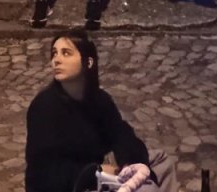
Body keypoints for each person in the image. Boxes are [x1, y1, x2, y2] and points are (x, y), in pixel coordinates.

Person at [25, 31, 159, 192]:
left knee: (159, 159)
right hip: (70, 185)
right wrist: (95, 172)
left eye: (66, 53)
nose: (56, 60)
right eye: (54, 54)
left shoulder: (99, 100)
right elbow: (43, 171)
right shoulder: (44, 107)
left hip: (98, 177)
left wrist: (129, 162)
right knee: (145, 190)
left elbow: (120, 134)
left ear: (88, 62)